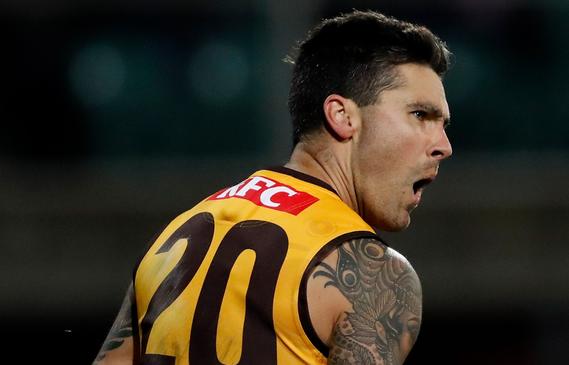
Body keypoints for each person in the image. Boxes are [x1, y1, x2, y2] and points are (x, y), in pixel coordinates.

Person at [94, 9, 452, 365]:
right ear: (343, 116)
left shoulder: (175, 237)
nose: (444, 145)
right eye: (420, 115)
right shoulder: (373, 273)